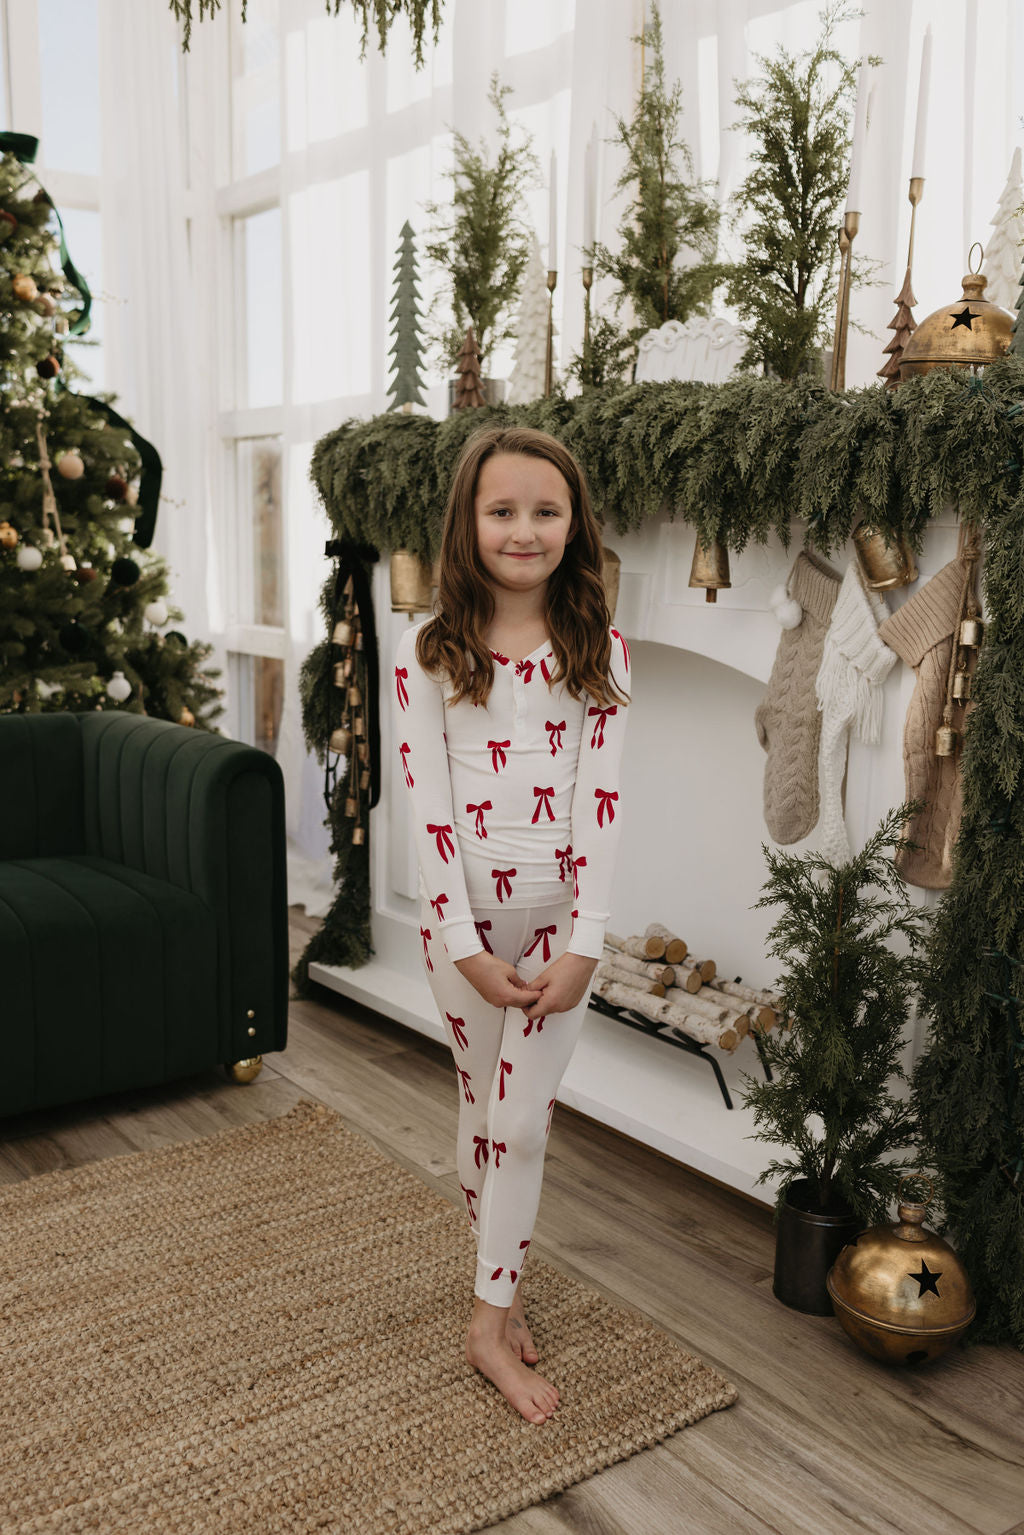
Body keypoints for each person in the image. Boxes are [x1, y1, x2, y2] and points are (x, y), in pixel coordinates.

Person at [392, 424, 630, 1426]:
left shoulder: (597, 653)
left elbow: (605, 799)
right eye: (502, 510)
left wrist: (585, 939)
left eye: (545, 510)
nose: (523, 528)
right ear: (469, 522)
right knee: (477, 1115)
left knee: (519, 1120)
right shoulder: (431, 653)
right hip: (466, 939)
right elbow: (427, 805)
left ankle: (487, 1325)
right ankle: (506, 1277)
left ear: (573, 525)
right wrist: (461, 944)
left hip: (556, 930)